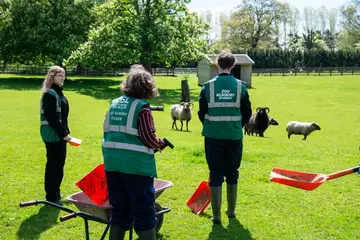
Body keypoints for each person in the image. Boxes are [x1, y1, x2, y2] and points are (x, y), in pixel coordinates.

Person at [102, 64, 164, 240]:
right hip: (136, 167)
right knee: (144, 213)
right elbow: (147, 137)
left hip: (113, 165)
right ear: (147, 86)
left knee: (120, 213)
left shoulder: (114, 104)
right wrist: (158, 143)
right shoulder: (142, 107)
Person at [198, 51, 252, 224]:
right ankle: (231, 211)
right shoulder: (241, 86)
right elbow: (247, 112)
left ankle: (217, 215)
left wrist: (211, 124)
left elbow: (201, 112)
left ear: (217, 65)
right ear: (233, 66)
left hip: (212, 137)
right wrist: (237, 125)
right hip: (234, 136)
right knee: (232, 173)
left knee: (215, 173)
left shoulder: (208, 87)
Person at [40, 66, 71, 205]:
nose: (63, 77)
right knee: (54, 165)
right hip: (53, 137)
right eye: (60, 75)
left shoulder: (58, 93)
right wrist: (64, 134)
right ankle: (52, 196)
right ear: (52, 76)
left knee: (59, 164)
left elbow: (63, 117)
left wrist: (66, 132)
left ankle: (55, 193)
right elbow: (51, 117)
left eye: (64, 75)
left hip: (59, 135)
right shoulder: (49, 94)